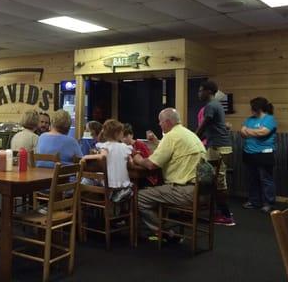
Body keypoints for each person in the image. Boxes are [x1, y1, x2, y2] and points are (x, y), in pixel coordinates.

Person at [133, 108, 206, 238]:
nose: (159, 124)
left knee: (139, 196)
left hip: (185, 191)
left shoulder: (171, 136)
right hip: (203, 190)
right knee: (155, 190)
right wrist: (156, 143)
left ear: (167, 122)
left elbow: (151, 165)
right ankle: (162, 227)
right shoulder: (187, 133)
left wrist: (137, 159)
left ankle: (166, 233)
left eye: (160, 122)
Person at [195, 80, 235, 226]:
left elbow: (203, 126)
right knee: (217, 181)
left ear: (209, 92)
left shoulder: (211, 106)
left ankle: (226, 216)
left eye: (201, 91)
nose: (199, 93)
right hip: (219, 146)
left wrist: (192, 139)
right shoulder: (215, 105)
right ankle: (222, 212)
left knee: (218, 182)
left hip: (218, 147)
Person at [240, 97, 277, 213]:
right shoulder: (249, 119)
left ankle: (268, 203)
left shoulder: (269, 119)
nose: (251, 109)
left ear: (258, 108)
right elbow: (242, 133)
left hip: (264, 153)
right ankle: (254, 201)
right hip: (249, 152)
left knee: (266, 179)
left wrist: (248, 130)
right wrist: (253, 131)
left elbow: (263, 132)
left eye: (252, 107)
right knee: (252, 179)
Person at [83, 119, 133, 201]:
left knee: (88, 179)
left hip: (109, 184)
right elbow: (130, 162)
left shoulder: (105, 146)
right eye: (122, 132)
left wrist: (85, 157)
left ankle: (77, 197)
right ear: (117, 134)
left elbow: (103, 156)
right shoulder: (125, 147)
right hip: (124, 184)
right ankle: (119, 194)